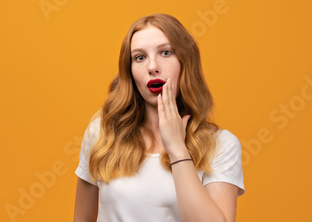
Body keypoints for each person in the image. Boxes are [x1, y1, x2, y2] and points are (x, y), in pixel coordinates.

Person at [73, 13, 245, 222]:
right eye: (140, 57)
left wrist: (177, 150)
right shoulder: (102, 132)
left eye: (165, 52)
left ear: (185, 62)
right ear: (130, 71)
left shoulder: (222, 146)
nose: (152, 66)